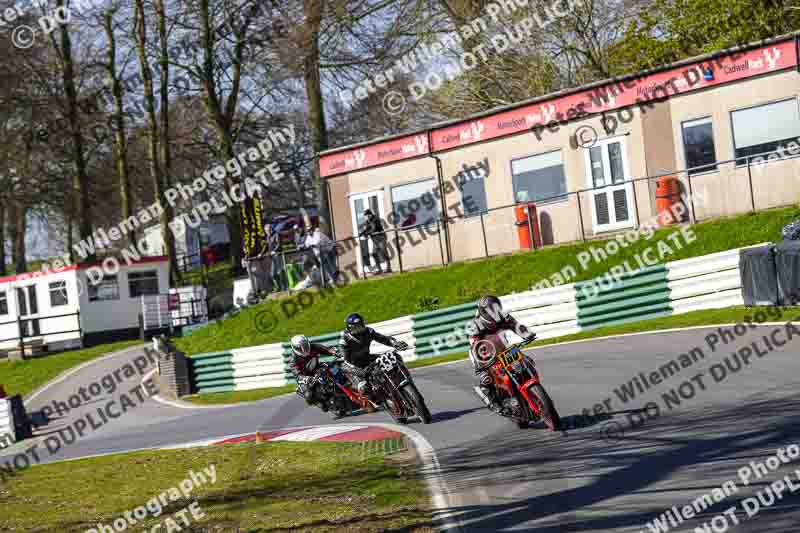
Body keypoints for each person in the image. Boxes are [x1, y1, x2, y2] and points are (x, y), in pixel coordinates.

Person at [468, 294, 537, 413]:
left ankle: (532, 386)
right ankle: (492, 401)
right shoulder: (475, 325)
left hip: (505, 350)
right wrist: (482, 366)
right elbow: (475, 345)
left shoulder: (503, 317)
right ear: (483, 311)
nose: (493, 312)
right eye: (490, 310)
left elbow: (516, 326)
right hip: (485, 355)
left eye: (496, 308)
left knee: (527, 361)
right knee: (486, 378)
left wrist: (527, 334)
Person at [338, 313, 408, 395]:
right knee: (364, 389)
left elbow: (383, 339)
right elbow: (345, 360)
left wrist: (395, 343)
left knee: (395, 357)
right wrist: (355, 370)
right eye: (355, 328)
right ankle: (374, 405)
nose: (359, 330)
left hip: (367, 358)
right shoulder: (345, 340)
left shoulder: (368, 332)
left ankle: (404, 378)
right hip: (354, 366)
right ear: (349, 329)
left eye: (360, 326)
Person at [290, 334, 338, 412]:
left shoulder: (314, 346)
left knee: (335, 367)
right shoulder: (293, 360)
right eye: (301, 348)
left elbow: (326, 349)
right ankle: (321, 403)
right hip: (305, 377)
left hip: (317, 368)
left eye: (305, 346)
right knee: (308, 395)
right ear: (295, 348)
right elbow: (297, 374)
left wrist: (333, 351)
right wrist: (305, 378)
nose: (304, 349)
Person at [359, 209, 391, 274]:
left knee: (383, 252)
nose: (367, 217)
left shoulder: (375, 219)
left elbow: (374, 229)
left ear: (371, 214)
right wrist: (361, 233)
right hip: (375, 240)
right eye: (365, 216)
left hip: (381, 238)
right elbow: (367, 229)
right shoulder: (368, 221)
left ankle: (389, 268)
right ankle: (379, 269)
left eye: (368, 215)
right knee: (374, 254)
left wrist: (366, 234)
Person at [268, 225, 287, 292]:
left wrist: (274, 251)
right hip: (273, 257)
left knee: (280, 271)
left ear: (271, 229)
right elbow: (269, 246)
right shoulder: (268, 237)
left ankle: (285, 287)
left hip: (278, 254)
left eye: (268, 230)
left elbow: (279, 244)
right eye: (266, 230)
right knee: (273, 274)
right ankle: (279, 287)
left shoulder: (276, 234)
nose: (268, 231)